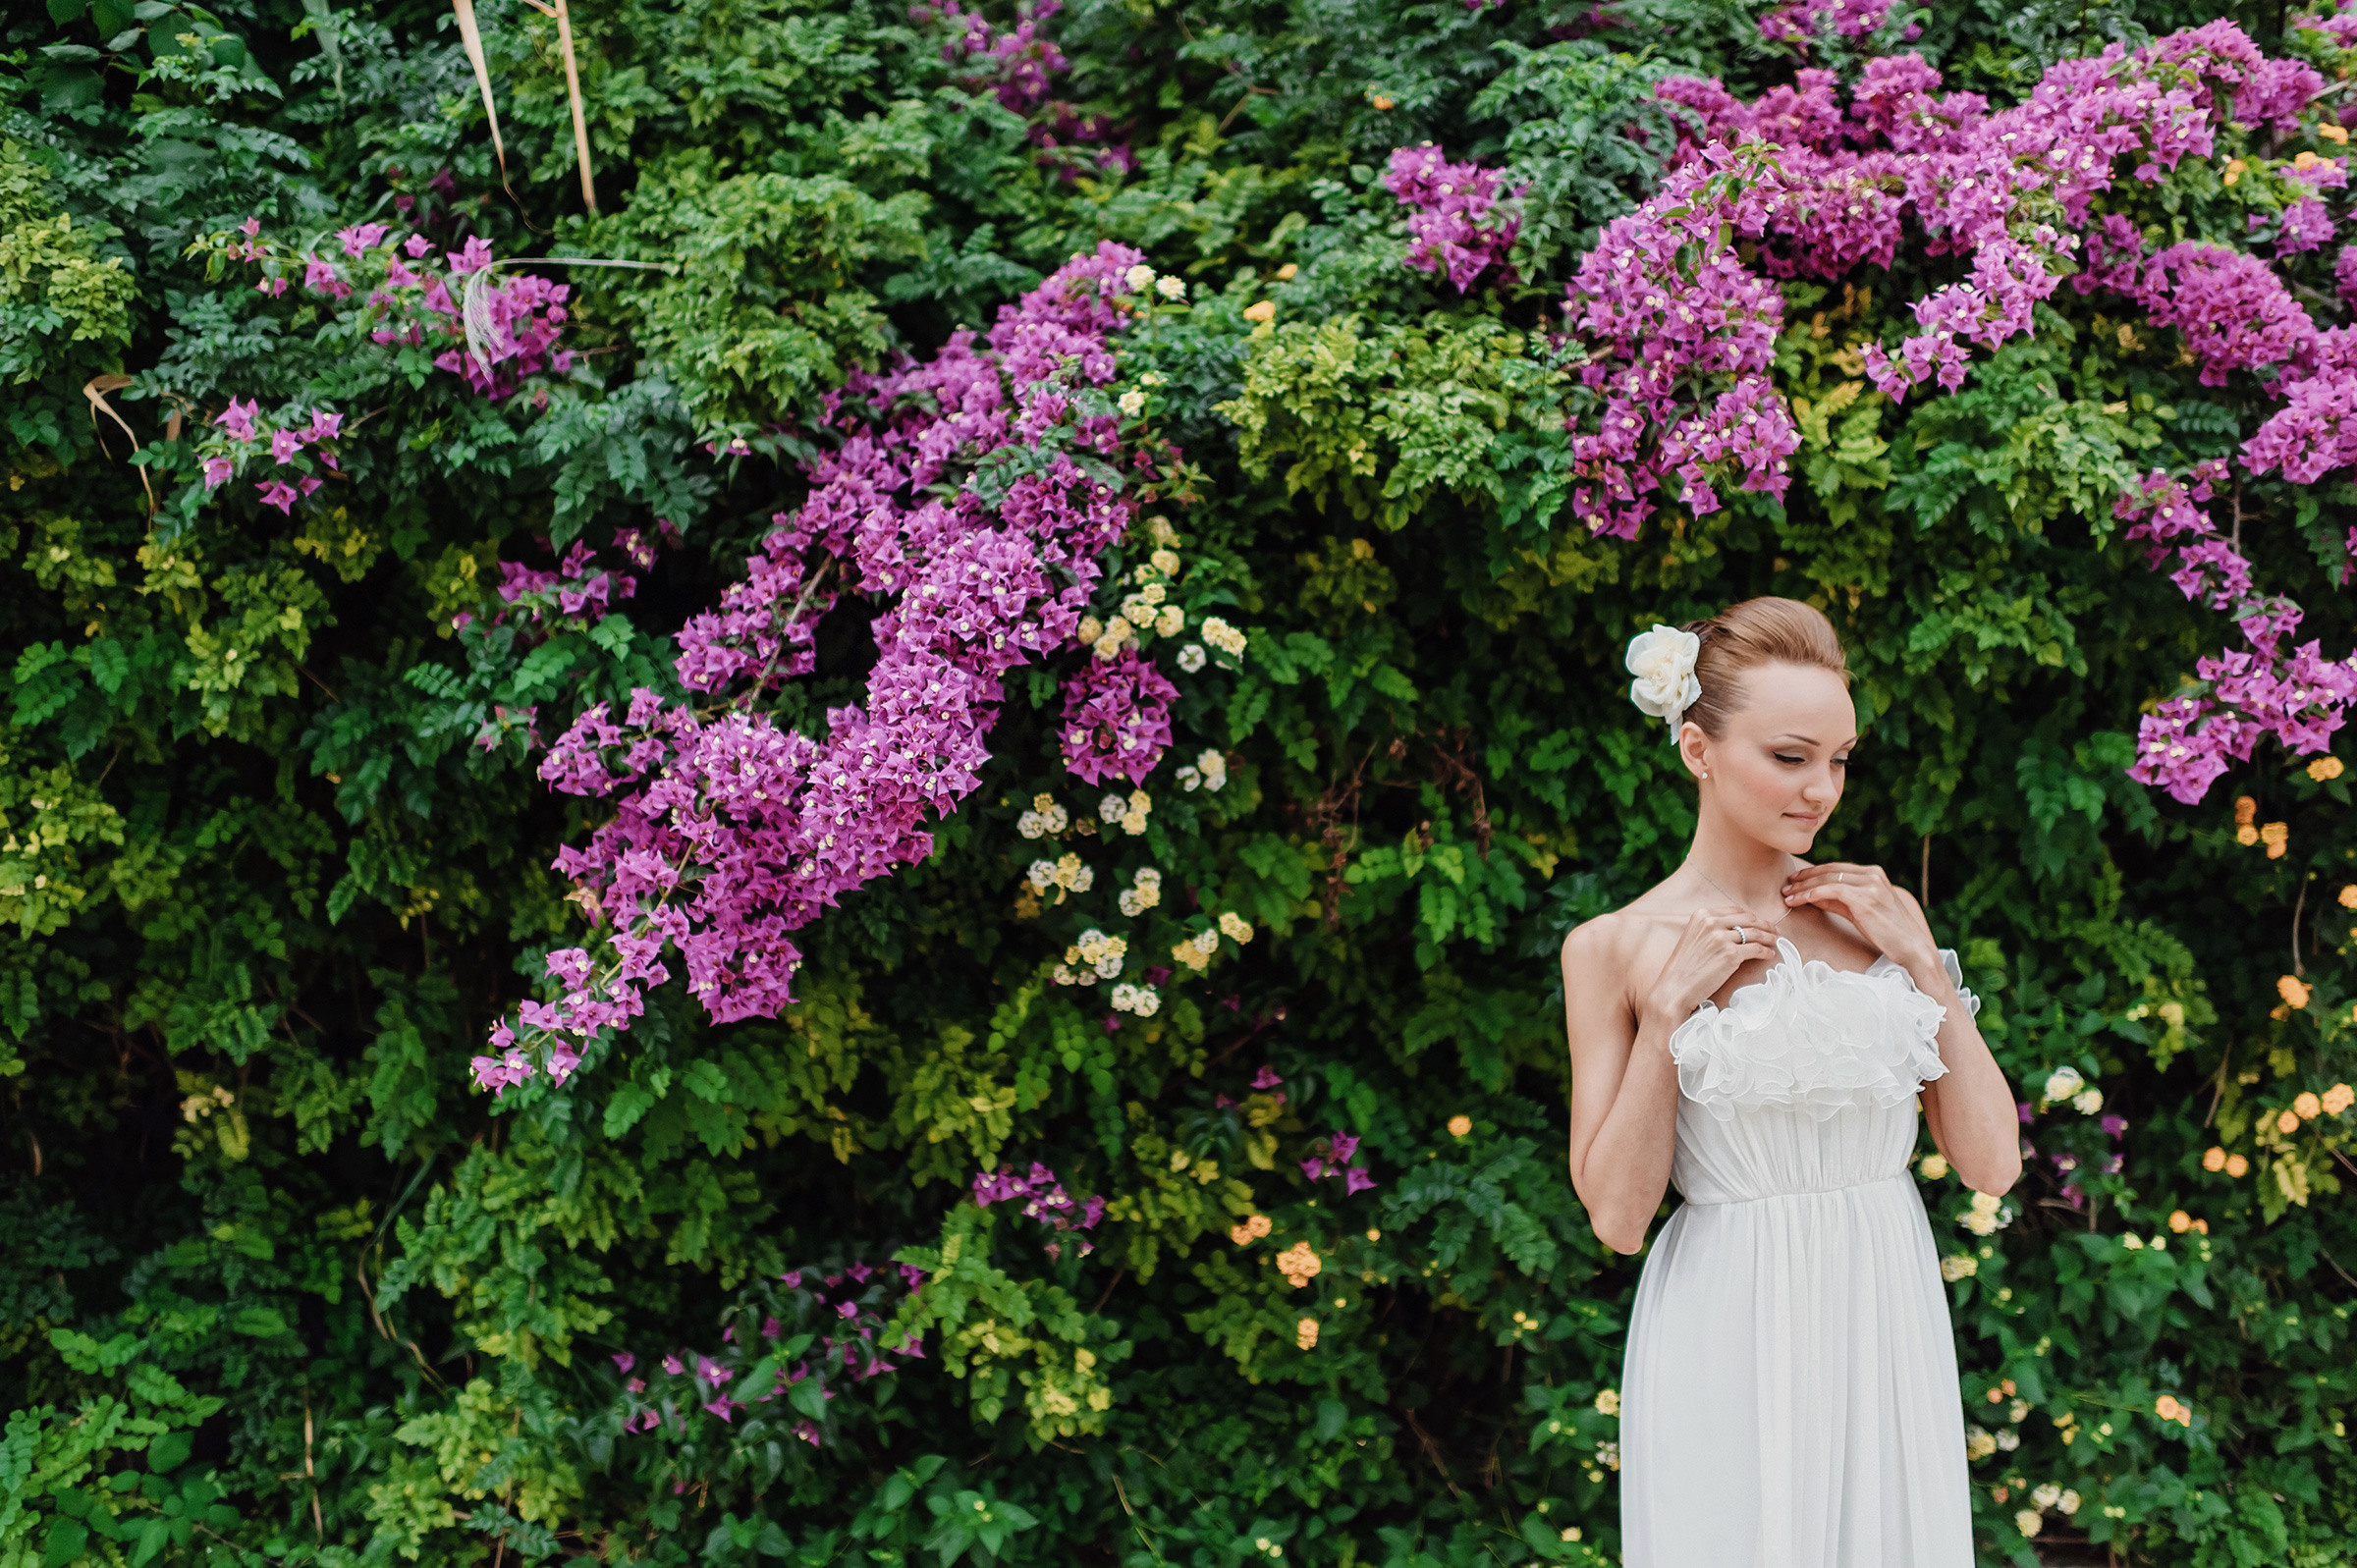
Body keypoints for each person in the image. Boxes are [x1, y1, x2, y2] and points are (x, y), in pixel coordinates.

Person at [1560, 597, 2022, 1567]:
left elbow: (1991, 1164)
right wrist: (1666, 1017)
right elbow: (1617, 1217)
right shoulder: (1612, 948)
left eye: (1840, 760)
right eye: (1790, 756)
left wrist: (1925, 966)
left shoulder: (1874, 918)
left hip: (1884, 1308)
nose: (1821, 790)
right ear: (1697, 749)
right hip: (1729, 1323)